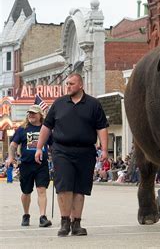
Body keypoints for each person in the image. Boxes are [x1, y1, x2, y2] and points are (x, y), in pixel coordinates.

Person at [35, 73, 109, 237]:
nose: (67, 86)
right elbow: (46, 127)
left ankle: (76, 223)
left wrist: (104, 150)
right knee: (64, 187)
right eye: (66, 83)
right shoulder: (59, 104)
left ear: (80, 85)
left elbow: (102, 127)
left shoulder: (93, 104)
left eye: (71, 83)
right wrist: (39, 148)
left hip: (85, 151)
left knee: (79, 189)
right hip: (62, 150)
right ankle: (64, 222)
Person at [5, 105, 53, 227]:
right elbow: (13, 145)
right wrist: (11, 157)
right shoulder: (22, 129)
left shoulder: (46, 129)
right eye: (29, 113)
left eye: (34, 113)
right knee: (26, 192)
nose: (31, 115)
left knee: (42, 190)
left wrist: (57, 160)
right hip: (26, 165)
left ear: (40, 115)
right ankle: (26, 215)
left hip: (41, 165)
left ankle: (43, 217)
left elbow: (53, 146)